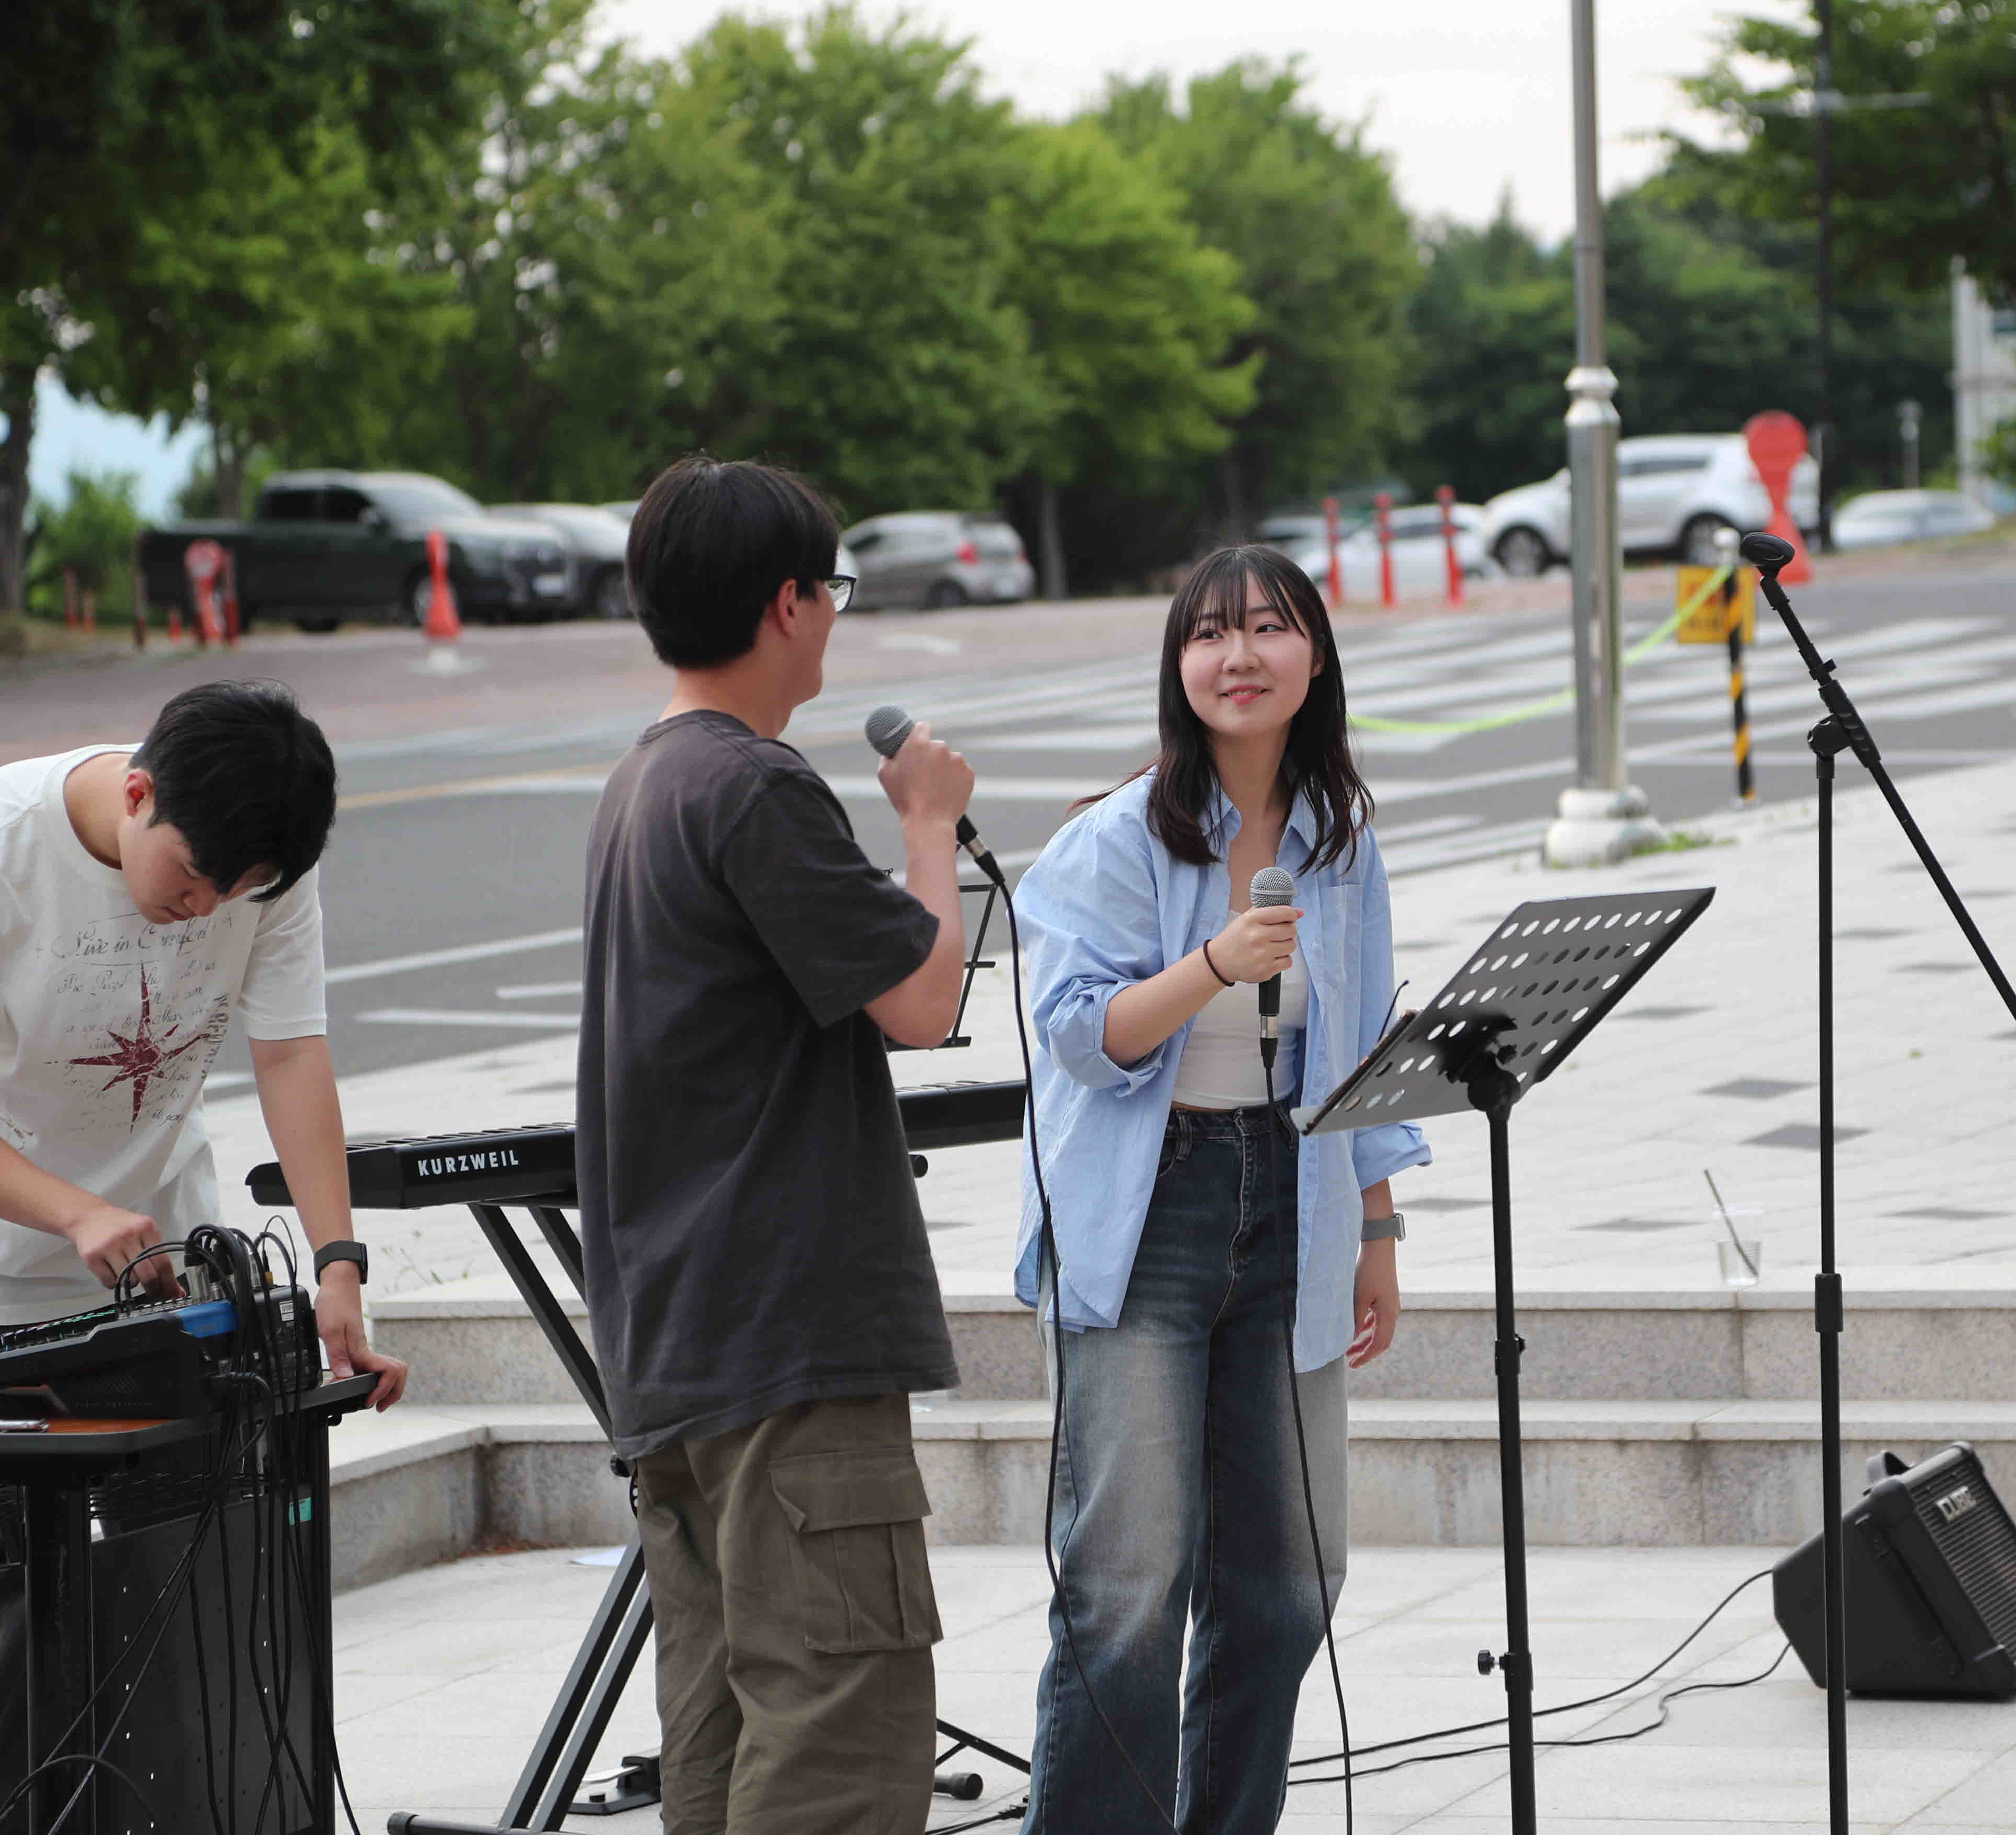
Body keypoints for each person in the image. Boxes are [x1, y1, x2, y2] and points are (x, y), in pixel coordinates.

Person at [0, 679, 409, 1827]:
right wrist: (72, 1214)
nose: (206, 907)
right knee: (9, 1634)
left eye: (235, 894)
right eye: (190, 881)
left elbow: (291, 1060)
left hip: (154, 1286)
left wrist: (337, 1262)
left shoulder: (266, 872)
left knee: (196, 1613)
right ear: (136, 792)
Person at [577, 455, 976, 1834]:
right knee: (837, 1737)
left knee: (725, 1736)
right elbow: (923, 1001)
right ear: (794, 605)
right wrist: (926, 825)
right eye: (833, 592)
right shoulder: (753, 786)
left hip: (686, 1344)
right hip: (789, 1339)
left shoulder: (645, 783)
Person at [1011, 544, 1431, 1833]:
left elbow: (1362, 1041)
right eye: (1208, 634)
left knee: (1290, 1581)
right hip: (1150, 1216)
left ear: (1315, 656)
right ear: (1176, 666)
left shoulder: (1337, 837)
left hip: (1293, 1196)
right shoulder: (1117, 836)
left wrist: (1376, 1226)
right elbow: (1080, 1034)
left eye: (1267, 628)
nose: (1237, 656)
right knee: (1127, 1584)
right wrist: (1211, 961)